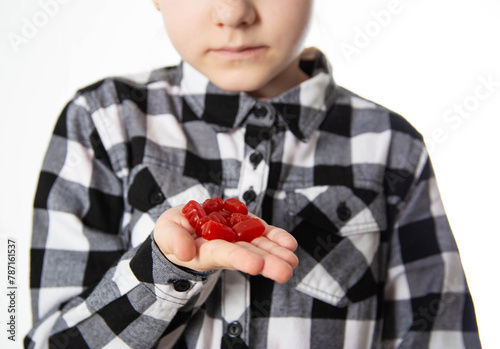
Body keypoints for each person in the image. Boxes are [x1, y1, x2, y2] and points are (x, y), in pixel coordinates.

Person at [25, 0, 481, 348]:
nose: (234, 12)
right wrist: (165, 270)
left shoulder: (391, 145)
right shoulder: (103, 121)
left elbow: (439, 333)